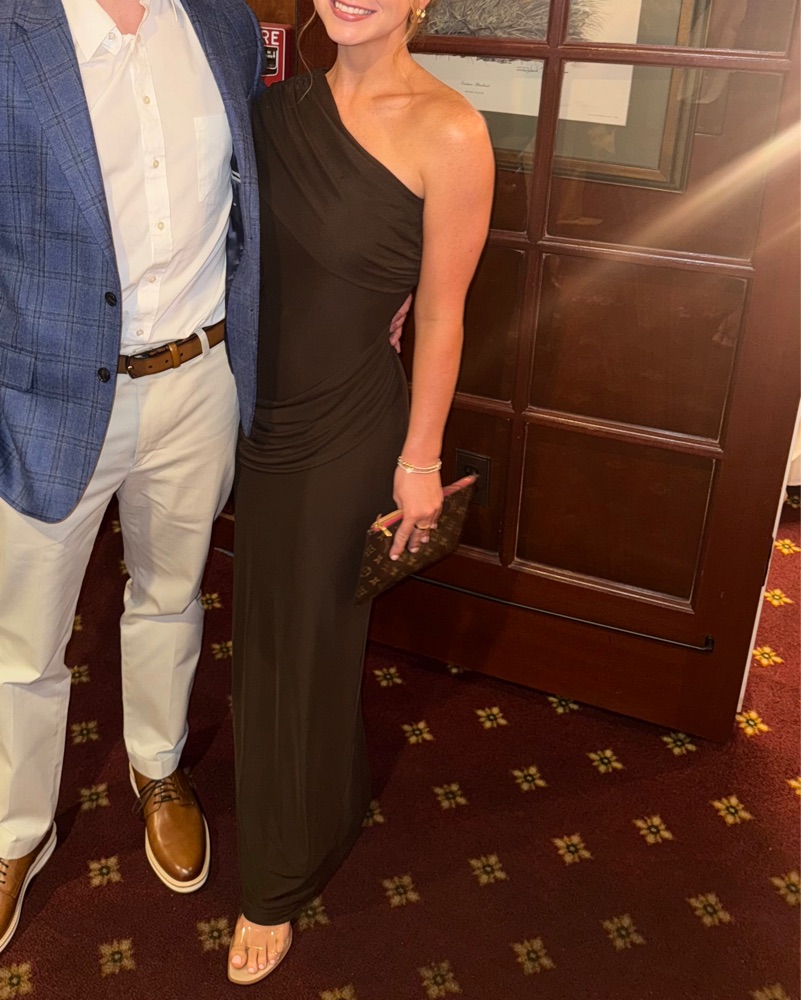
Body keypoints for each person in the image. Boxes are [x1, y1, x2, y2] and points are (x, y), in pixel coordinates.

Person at [228, 0, 495, 984]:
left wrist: (419, 457)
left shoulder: (451, 131)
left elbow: (442, 314)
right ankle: (324, 799)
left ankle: (274, 882)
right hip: (254, 413)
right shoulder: (271, 110)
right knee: (276, 632)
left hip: (347, 430)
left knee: (297, 646)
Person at [0, 0, 264, 953]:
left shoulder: (225, 26)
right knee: (21, 639)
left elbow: (251, 205)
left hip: (199, 377)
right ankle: (15, 833)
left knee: (171, 594)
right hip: (43, 395)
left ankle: (158, 764)